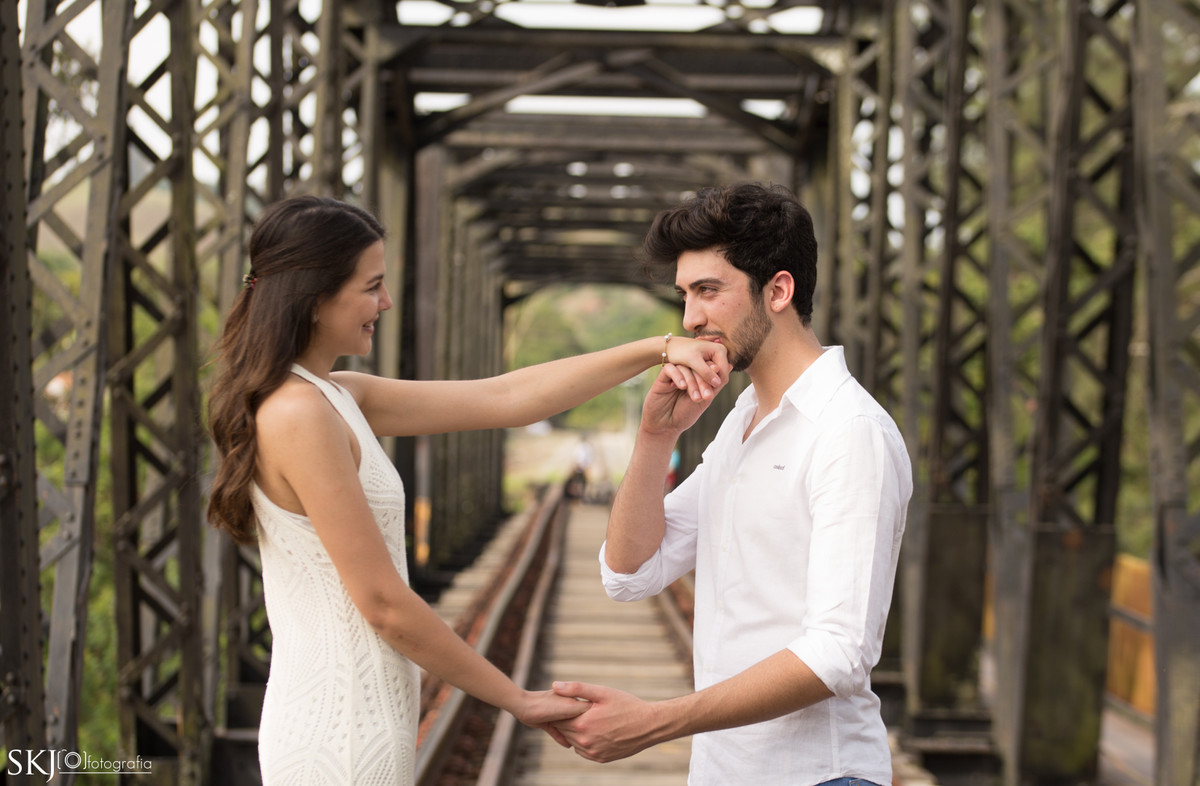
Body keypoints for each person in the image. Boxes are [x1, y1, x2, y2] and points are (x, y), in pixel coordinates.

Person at [205, 194, 731, 784]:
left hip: (362, 717)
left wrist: (659, 348)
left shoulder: (334, 396)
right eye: (371, 286)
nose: (386, 301)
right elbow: (382, 603)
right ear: (315, 295)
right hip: (339, 731)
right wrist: (516, 698)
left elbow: (507, 398)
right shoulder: (298, 413)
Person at [551, 183, 913, 786]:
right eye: (685, 295)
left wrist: (656, 721)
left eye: (708, 290)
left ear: (778, 290)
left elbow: (839, 653)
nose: (690, 319)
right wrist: (655, 436)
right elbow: (629, 573)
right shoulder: (742, 422)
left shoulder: (849, 431)